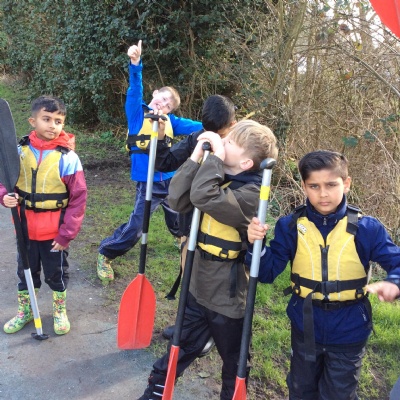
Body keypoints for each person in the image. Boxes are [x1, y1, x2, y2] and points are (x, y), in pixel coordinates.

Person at [138, 120, 278, 400]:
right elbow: (177, 199)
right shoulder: (215, 175)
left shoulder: (252, 196)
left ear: (246, 163)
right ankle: (154, 393)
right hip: (196, 285)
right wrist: (195, 158)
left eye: (229, 143)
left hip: (226, 297)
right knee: (179, 347)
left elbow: (204, 196)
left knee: (234, 361)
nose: (222, 143)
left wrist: (213, 158)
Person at [246, 150, 400, 400]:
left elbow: (397, 262)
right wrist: (256, 245)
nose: (323, 194)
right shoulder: (290, 226)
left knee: (338, 394)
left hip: (350, 328)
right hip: (305, 324)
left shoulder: (367, 228)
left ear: (346, 184)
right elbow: (266, 273)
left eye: (331, 185)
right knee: (301, 390)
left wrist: (394, 282)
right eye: (314, 186)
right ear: (304, 186)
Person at [97, 40, 202, 282]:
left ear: (170, 111)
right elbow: (135, 87)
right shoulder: (136, 113)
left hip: (171, 181)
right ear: (154, 94)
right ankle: (106, 252)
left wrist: (223, 126)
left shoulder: (171, 122)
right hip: (148, 183)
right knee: (137, 227)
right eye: (162, 99)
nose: (162, 104)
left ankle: (180, 237)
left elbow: (200, 126)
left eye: (168, 105)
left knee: (177, 215)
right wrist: (136, 63)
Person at [0, 95, 87, 335]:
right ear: (33, 121)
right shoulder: (19, 152)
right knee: (25, 273)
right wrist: (4, 196)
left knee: (56, 273)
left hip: (55, 233)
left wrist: (66, 234)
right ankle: (26, 310)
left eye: (58, 121)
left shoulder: (68, 157)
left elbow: (78, 199)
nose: (52, 125)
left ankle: (59, 311)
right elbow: (4, 181)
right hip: (25, 229)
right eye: (46, 119)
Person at [156, 94, 236, 343]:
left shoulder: (237, 146)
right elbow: (165, 161)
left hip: (219, 225)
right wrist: (160, 136)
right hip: (189, 220)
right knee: (189, 275)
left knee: (211, 283)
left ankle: (209, 332)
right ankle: (187, 325)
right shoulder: (196, 139)